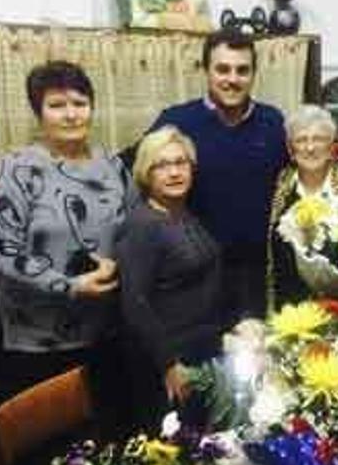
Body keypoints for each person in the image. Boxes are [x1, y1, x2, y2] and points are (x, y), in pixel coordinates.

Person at [0, 61, 132, 427]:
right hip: (38, 342)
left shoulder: (110, 165)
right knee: (52, 448)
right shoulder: (17, 169)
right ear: (39, 112)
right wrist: (69, 285)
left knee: (108, 441)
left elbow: (131, 230)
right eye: (57, 105)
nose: (70, 115)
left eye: (79, 103)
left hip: (106, 334)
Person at [120, 29, 287, 325]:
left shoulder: (273, 123)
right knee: (202, 366)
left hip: (257, 276)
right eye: (222, 69)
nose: (232, 79)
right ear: (205, 70)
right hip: (192, 275)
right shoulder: (177, 120)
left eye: (242, 70)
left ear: (254, 74)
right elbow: (131, 169)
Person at [116, 125, 223, 430]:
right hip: (166, 362)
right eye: (161, 165)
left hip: (200, 351)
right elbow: (135, 303)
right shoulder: (143, 225)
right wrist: (168, 365)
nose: (174, 172)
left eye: (180, 162)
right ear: (145, 174)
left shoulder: (183, 212)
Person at [266, 105, 338, 312]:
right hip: (289, 312)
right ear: (291, 149)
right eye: (301, 140)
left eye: (319, 139)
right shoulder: (275, 189)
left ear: (332, 146)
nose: (310, 147)